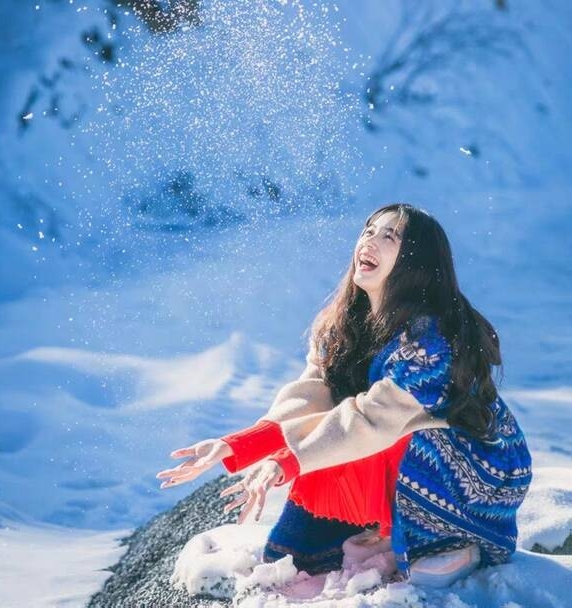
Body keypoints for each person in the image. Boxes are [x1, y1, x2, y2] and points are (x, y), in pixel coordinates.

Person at [156, 203, 532, 588]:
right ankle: (383, 528)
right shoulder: (343, 323)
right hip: (388, 441)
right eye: (369, 231)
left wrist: (288, 460)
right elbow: (314, 396)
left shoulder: (429, 342)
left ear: (415, 261)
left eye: (389, 236)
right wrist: (238, 444)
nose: (370, 240)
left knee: (375, 437)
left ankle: (450, 541)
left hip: (474, 470)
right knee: (301, 549)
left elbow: (371, 420)